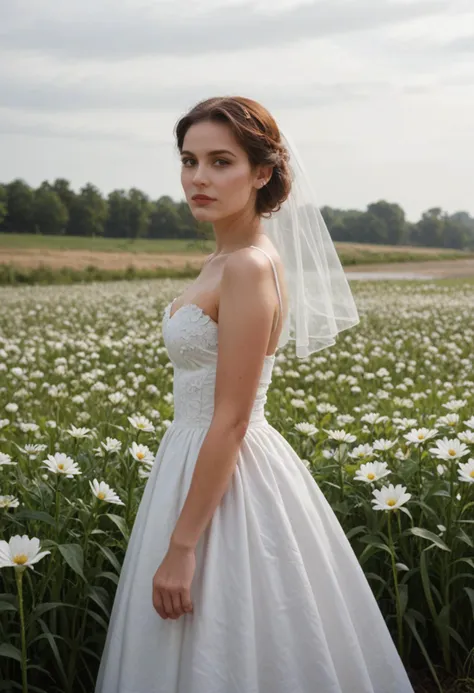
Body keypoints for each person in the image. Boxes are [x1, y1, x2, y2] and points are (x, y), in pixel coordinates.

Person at [95, 96, 414, 693]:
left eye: (221, 162)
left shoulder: (247, 266)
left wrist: (183, 546)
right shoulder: (224, 259)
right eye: (189, 161)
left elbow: (234, 419)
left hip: (228, 469)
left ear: (262, 172)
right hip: (191, 460)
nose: (198, 178)